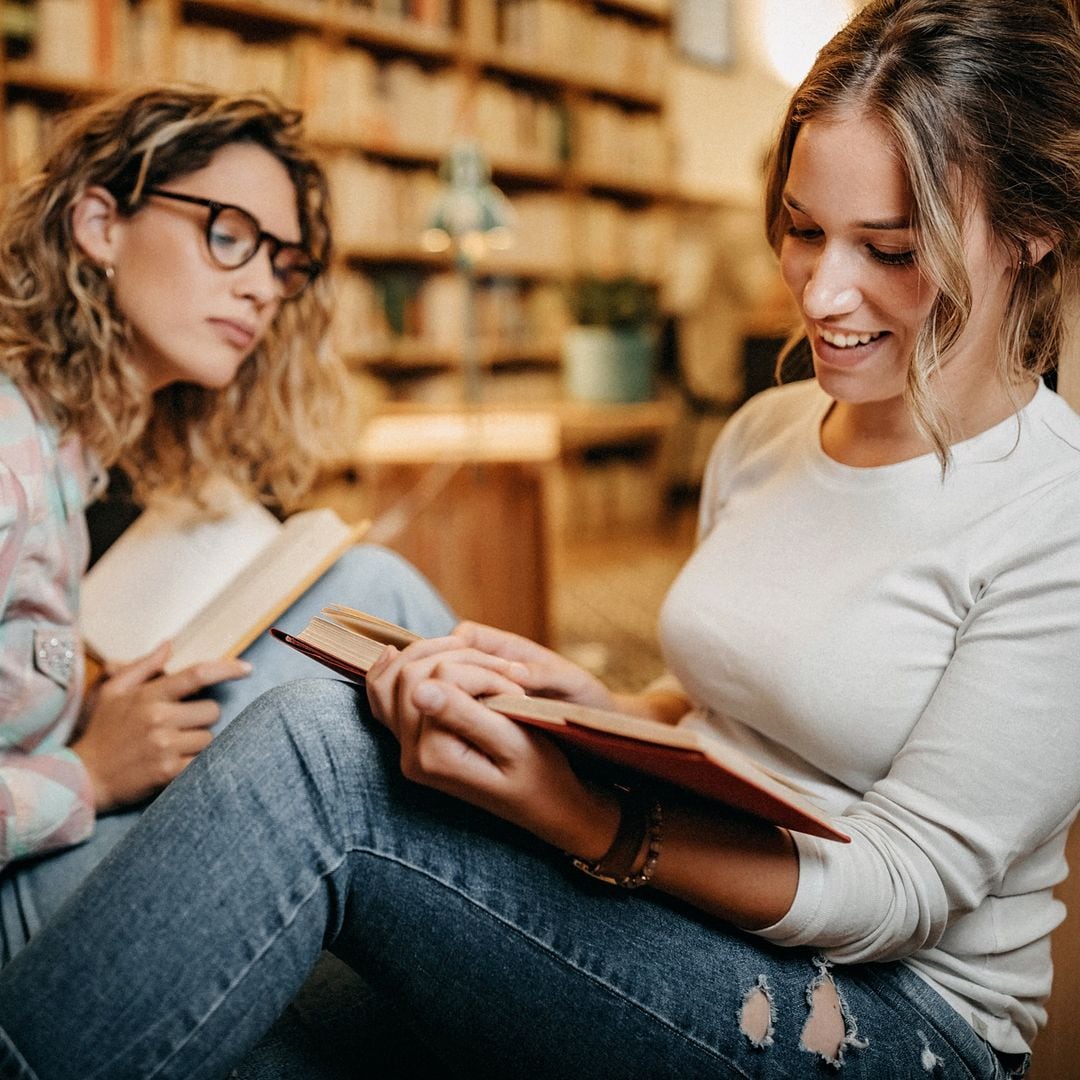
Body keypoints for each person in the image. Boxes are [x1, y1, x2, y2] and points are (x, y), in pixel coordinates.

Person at [2, 1, 1079, 1076]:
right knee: (343, 685)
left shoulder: (1053, 516)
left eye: (890, 250)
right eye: (802, 230)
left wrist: (588, 815)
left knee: (323, 757)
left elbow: (897, 891)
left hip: (875, 1013)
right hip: (689, 888)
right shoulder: (768, 430)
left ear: (1032, 233)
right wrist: (591, 708)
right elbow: (737, 711)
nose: (821, 292)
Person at [0, 84, 454, 1069]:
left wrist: (76, 706)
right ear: (99, 224)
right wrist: (85, 771)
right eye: (229, 235)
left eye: (283, 264)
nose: (263, 287)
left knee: (367, 598)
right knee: (359, 636)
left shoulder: (67, 454)